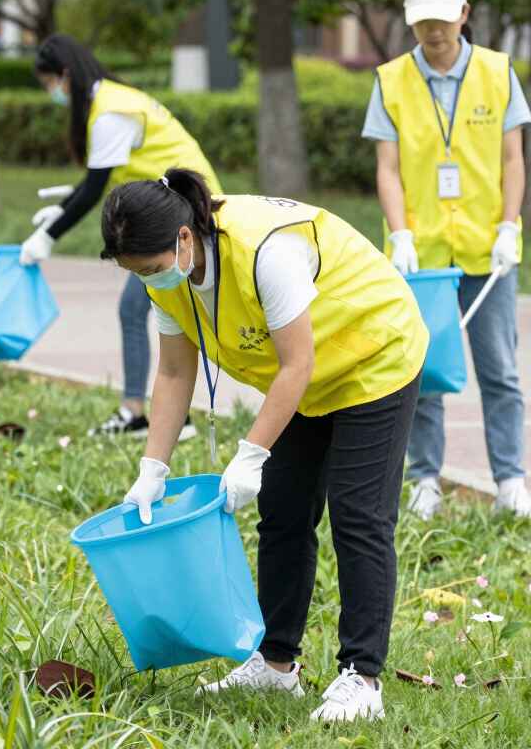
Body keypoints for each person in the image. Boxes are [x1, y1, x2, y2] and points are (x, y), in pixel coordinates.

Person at [104, 168, 427, 723]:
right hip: (305, 375)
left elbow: (297, 363)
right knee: (282, 510)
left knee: (358, 514)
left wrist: (250, 454)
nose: (151, 282)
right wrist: (152, 467)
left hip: (375, 353)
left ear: (185, 238)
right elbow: (176, 372)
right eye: (138, 275)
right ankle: (276, 664)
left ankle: (363, 677)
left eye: (154, 270)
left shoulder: (264, 252)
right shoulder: (164, 272)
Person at [361, 0, 531, 522]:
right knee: (426, 370)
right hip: (424, 255)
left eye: (443, 19)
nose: (434, 31)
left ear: (464, 14)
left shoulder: (496, 71)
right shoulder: (391, 79)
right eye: (423, 21)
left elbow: (513, 159)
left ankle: (511, 482)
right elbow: (387, 168)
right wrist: (399, 234)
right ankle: (425, 480)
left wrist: (510, 225)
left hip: (487, 251)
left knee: (500, 370)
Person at [20, 34, 222, 440]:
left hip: (185, 217)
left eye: (49, 84)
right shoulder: (113, 99)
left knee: (139, 308)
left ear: (64, 75)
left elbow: (95, 188)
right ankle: (152, 413)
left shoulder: (110, 112)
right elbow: (101, 176)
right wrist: (61, 209)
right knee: (140, 309)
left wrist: (49, 235)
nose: (51, 94)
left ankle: (154, 415)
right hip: (171, 212)